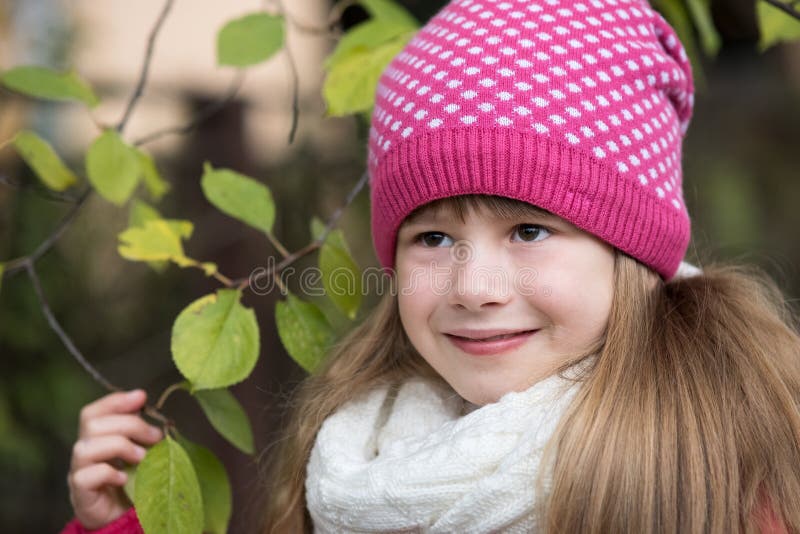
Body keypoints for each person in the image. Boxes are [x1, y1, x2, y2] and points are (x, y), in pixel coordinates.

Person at [62, 0, 800, 532]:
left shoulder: (720, 476)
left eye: (530, 230)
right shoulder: (359, 456)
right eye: (434, 239)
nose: (475, 289)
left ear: (632, 250)